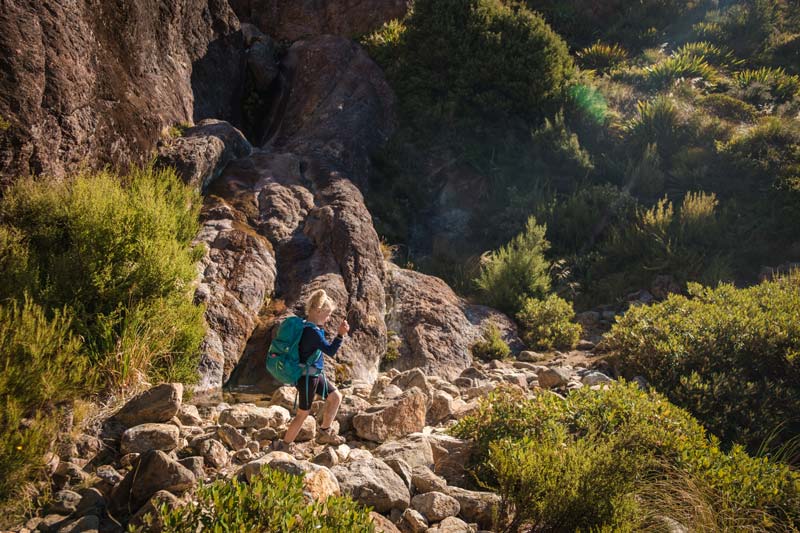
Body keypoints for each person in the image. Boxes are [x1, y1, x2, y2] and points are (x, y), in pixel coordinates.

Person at [273, 289, 349, 453]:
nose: (328, 318)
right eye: (327, 314)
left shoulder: (306, 326)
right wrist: (340, 335)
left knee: (335, 396)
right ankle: (285, 445)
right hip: (307, 378)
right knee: (303, 414)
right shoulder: (312, 332)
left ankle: (324, 432)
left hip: (313, 374)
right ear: (319, 311)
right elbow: (330, 350)